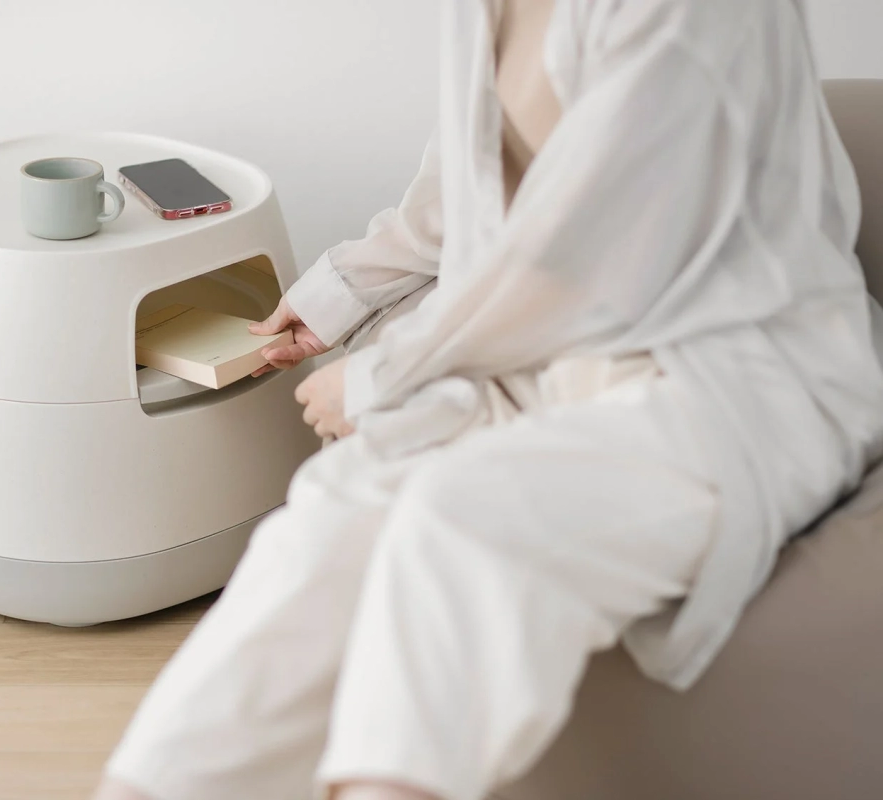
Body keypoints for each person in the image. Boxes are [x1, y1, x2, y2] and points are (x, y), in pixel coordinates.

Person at [96, 1, 883, 798]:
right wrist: (334, 295)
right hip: (553, 365)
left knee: (461, 523)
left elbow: (596, 263)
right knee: (332, 513)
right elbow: (460, 194)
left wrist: (380, 379)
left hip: (718, 372)